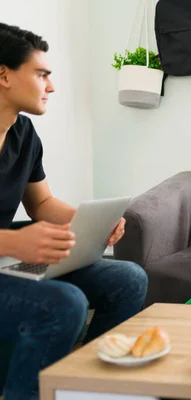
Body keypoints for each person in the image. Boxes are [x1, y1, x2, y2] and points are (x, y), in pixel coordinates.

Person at [0, 23, 148, 400]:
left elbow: (41, 204)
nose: (51, 87)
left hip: (5, 260)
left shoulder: (24, 133)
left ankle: (80, 384)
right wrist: (15, 241)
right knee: (66, 304)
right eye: (42, 75)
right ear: (4, 75)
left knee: (129, 278)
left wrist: (92, 223)